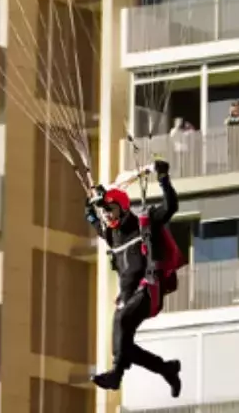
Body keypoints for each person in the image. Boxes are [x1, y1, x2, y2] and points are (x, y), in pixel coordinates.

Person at [85, 159, 183, 396]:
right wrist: (92, 200)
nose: (106, 216)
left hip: (149, 290)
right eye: (104, 212)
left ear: (122, 206)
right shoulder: (110, 234)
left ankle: (116, 376)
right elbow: (90, 216)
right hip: (130, 297)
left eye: (110, 209)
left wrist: (163, 179)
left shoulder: (143, 224)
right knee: (123, 345)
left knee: (119, 319)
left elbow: (170, 207)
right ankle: (167, 369)